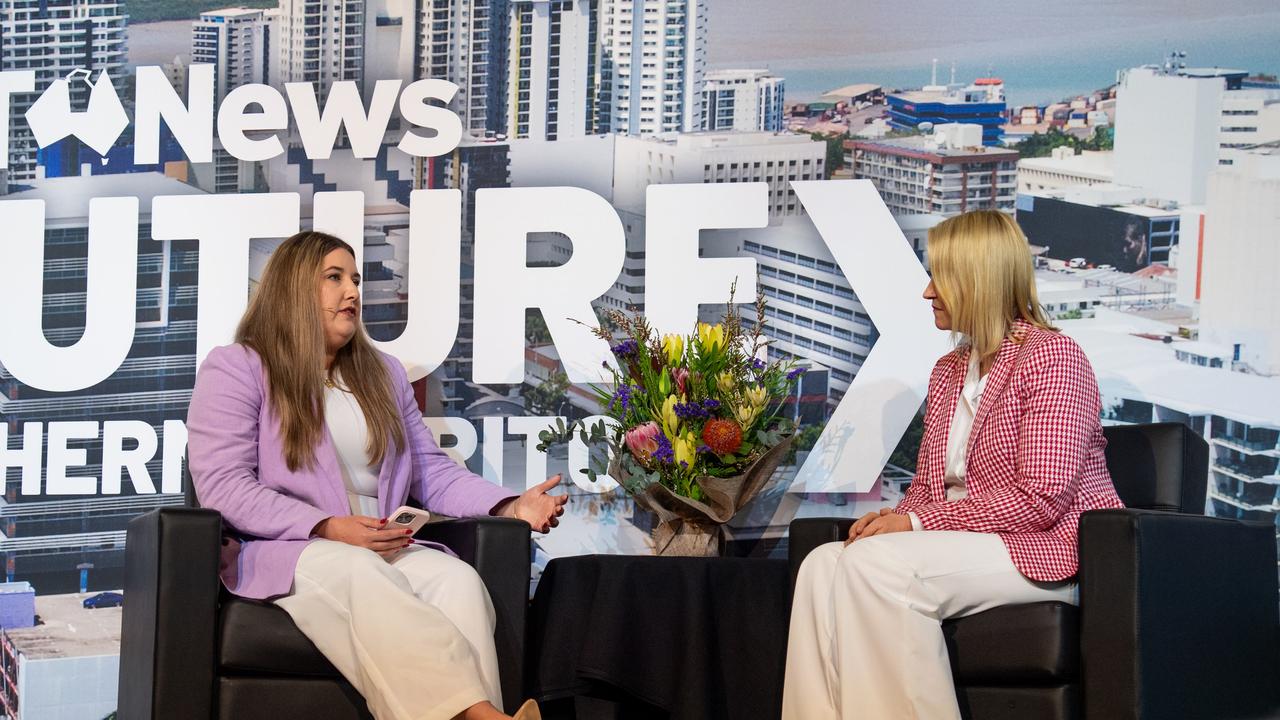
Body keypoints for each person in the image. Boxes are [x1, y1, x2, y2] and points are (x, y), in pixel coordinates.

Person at [187, 231, 564, 720]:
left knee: (457, 582)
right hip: (291, 551)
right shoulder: (239, 367)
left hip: (385, 545)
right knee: (357, 569)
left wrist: (509, 506)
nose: (353, 292)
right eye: (334, 278)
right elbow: (224, 486)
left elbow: (430, 472)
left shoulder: (382, 374)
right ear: (294, 288)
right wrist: (327, 527)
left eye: (356, 280)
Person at [782, 210, 1125, 719]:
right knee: (822, 566)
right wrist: (892, 519)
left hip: (1041, 548)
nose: (928, 292)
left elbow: (1042, 499)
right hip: (965, 543)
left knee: (878, 568)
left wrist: (916, 523)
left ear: (977, 279)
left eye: (938, 276)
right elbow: (927, 487)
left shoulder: (1053, 357)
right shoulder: (948, 371)